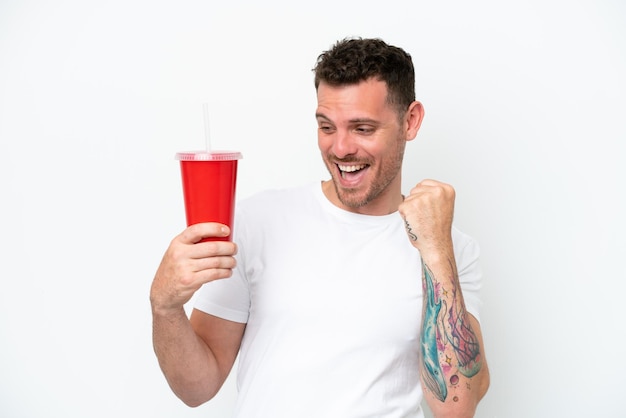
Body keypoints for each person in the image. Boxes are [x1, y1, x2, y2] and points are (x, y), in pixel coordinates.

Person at [150, 37, 490, 418]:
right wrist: (165, 307)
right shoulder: (256, 221)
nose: (340, 148)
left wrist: (435, 249)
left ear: (410, 121)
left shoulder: (450, 250)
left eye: (362, 128)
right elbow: (197, 388)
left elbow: (456, 408)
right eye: (327, 126)